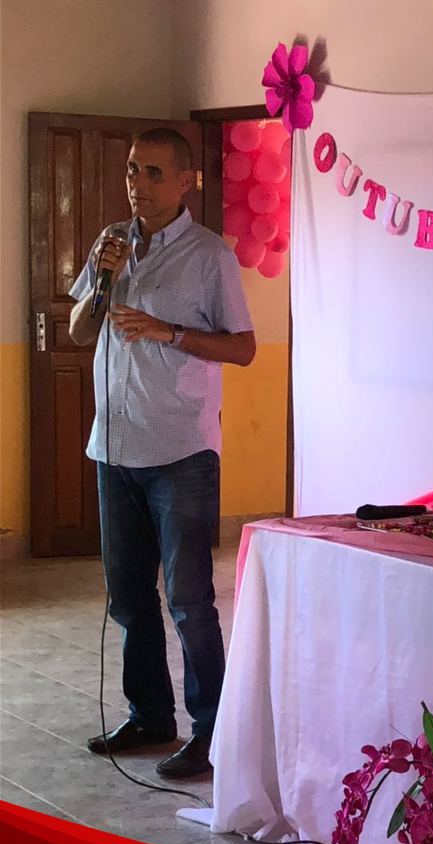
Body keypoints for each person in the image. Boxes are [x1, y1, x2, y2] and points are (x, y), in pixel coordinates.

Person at [69, 127, 256, 778]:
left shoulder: (210, 257)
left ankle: (211, 734)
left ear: (184, 182)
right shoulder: (111, 242)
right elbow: (79, 328)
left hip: (180, 453)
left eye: (152, 173)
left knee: (190, 602)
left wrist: (167, 332)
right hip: (114, 447)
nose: (138, 185)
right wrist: (103, 280)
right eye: (131, 170)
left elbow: (243, 348)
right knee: (127, 597)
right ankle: (150, 715)